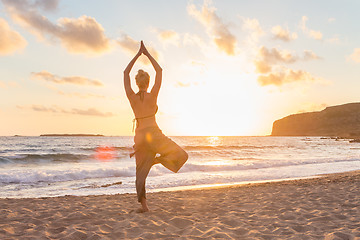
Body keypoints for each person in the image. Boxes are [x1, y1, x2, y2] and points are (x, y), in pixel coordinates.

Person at [124, 41, 188, 212]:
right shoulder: (153, 95)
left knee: (140, 174)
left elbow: (125, 72)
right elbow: (159, 70)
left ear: (137, 82)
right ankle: (157, 160)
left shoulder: (132, 97)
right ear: (148, 81)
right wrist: (147, 53)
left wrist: (137, 55)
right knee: (182, 155)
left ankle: (144, 207)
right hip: (154, 134)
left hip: (140, 136)